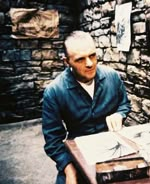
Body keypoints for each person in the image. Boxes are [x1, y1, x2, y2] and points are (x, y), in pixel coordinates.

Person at [42, 30, 131, 184]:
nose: (90, 63)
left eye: (92, 55)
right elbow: (53, 140)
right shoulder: (54, 91)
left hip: (114, 147)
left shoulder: (113, 77)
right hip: (78, 152)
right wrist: (69, 169)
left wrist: (119, 115)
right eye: (80, 59)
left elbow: (124, 104)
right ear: (66, 61)